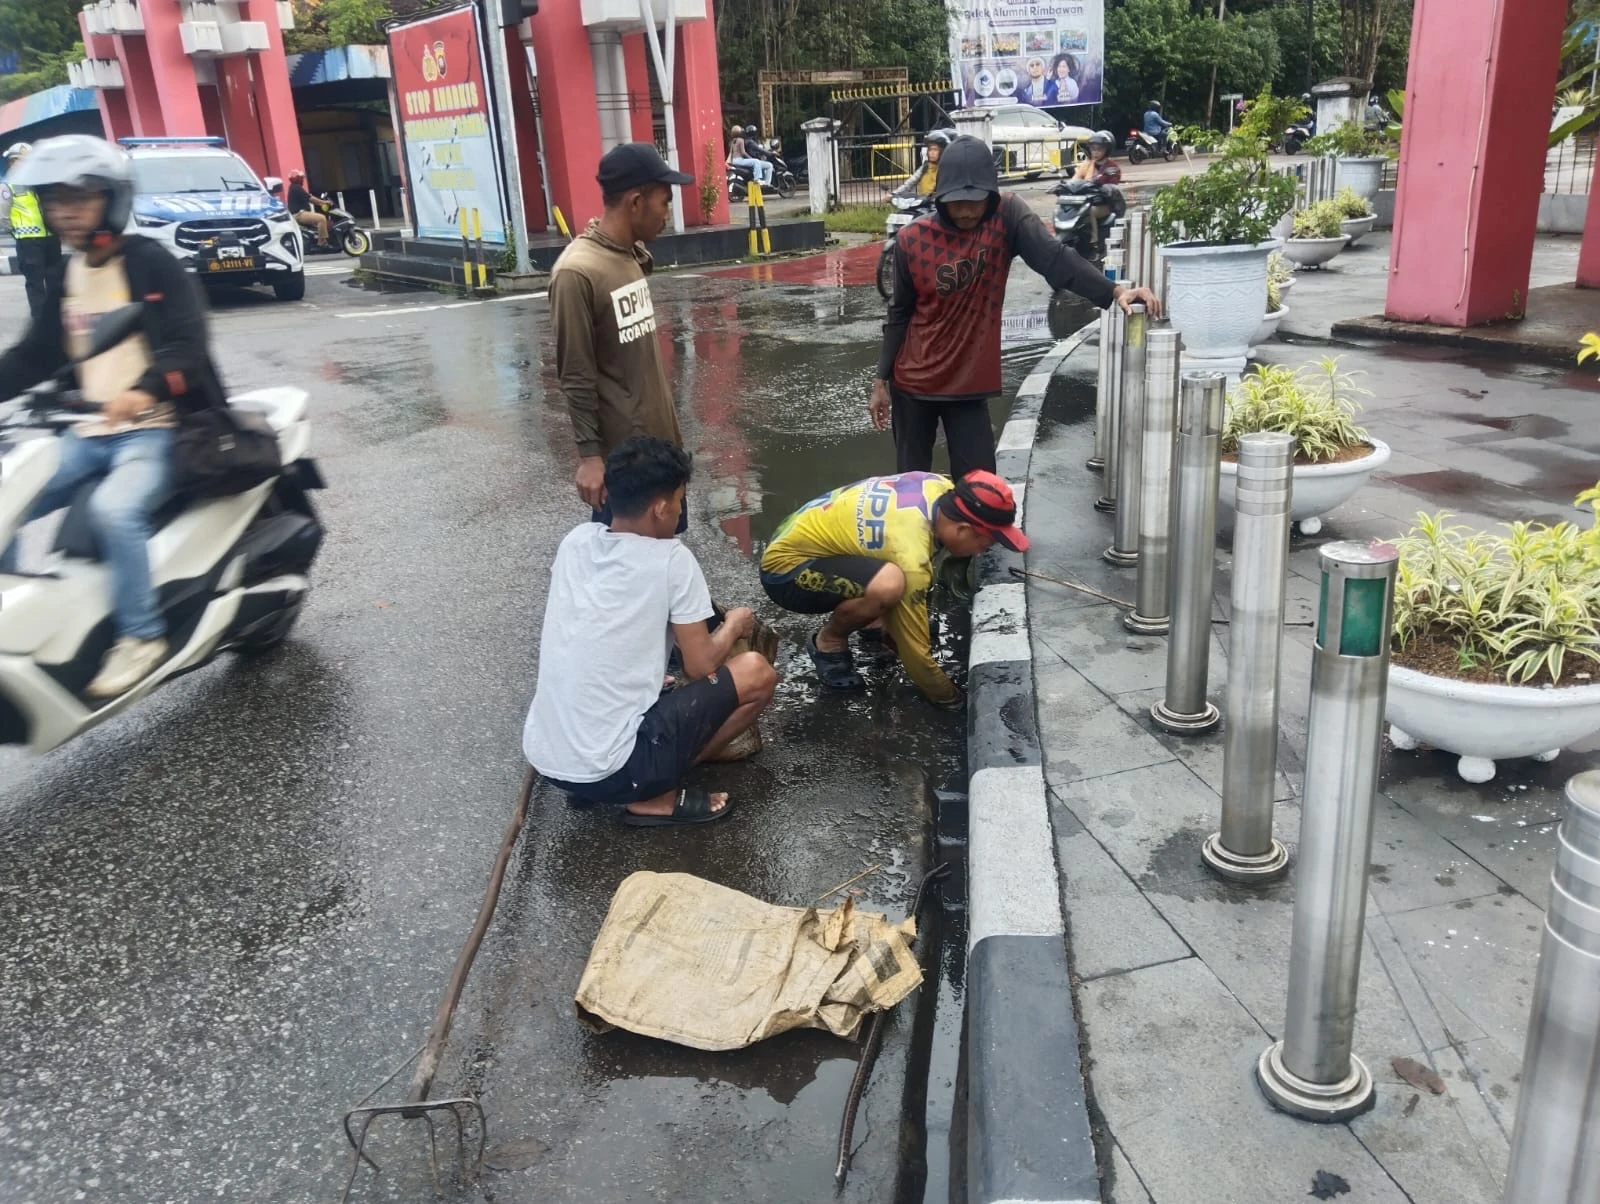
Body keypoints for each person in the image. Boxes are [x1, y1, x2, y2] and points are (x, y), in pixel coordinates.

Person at [0, 135, 229, 697]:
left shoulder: (150, 263)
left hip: (150, 432)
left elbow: (188, 345)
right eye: (54, 201)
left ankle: (142, 635)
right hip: (85, 432)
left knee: (114, 510)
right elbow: (37, 353)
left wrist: (145, 390)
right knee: (7, 494)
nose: (64, 213)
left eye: (78, 199)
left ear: (112, 199)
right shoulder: (68, 275)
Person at [869, 134, 1160, 482]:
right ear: (941, 197)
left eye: (975, 201)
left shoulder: (1006, 218)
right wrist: (880, 381)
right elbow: (899, 314)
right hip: (913, 385)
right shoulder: (911, 240)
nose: (965, 210)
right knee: (911, 490)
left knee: (981, 492)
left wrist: (1113, 291)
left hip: (967, 385)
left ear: (990, 196)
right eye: (956, 201)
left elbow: (1055, 259)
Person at [524, 436, 777, 826]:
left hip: (550, 759)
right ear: (660, 508)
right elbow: (700, 665)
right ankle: (652, 793)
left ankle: (622, 775)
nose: (679, 511)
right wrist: (733, 625)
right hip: (615, 769)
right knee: (757, 672)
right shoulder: (671, 559)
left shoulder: (576, 542)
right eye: (679, 500)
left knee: (662, 679)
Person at [761, 470, 1026, 706]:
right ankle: (829, 640)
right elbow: (916, 656)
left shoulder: (937, 484)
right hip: (785, 571)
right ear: (963, 528)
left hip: (798, 534)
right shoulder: (910, 555)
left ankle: (872, 619)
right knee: (891, 585)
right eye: (986, 544)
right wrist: (949, 698)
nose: (983, 552)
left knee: (895, 579)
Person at [550, 141, 693, 530]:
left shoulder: (627, 253)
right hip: (628, 471)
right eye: (664, 202)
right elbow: (575, 375)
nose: (668, 214)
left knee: (664, 569)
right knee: (629, 577)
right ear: (635, 202)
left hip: (660, 453)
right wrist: (590, 456)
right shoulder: (577, 273)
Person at [4, 143, 62, 321]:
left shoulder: (43, 184)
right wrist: (16, 232)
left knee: (55, 280)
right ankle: (40, 320)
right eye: (15, 161)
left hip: (51, 238)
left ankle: (57, 316)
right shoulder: (8, 186)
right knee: (35, 283)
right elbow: (2, 216)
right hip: (28, 241)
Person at [1073, 130, 1123, 257]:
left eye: (1099, 149)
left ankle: (1093, 241)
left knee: (1089, 211)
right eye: (1093, 149)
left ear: (1106, 150)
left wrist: (1103, 186)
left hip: (1104, 205)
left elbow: (1112, 184)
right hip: (1087, 200)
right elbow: (1076, 179)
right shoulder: (1087, 164)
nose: (1095, 152)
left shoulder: (1111, 167)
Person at [892, 130, 953, 199]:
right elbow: (910, 182)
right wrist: (894, 194)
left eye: (935, 150)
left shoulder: (946, 169)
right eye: (930, 149)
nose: (932, 153)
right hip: (923, 204)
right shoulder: (925, 167)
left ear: (942, 151)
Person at [286, 169, 330, 248]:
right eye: (301, 178)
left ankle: (322, 240)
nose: (303, 180)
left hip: (300, 213)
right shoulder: (296, 188)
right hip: (299, 214)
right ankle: (321, 243)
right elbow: (310, 198)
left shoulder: (294, 188)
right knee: (321, 218)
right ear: (297, 178)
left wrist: (320, 203)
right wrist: (323, 202)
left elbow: (309, 199)